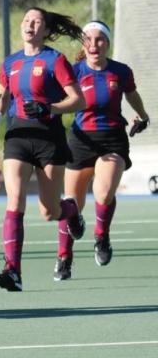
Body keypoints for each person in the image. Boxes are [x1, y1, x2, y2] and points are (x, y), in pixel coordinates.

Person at [0, 7, 86, 292]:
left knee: (49, 211)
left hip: (49, 139)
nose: (30, 24)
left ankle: (71, 211)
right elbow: (2, 100)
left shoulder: (55, 60)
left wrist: (49, 108)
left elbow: (78, 101)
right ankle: (12, 269)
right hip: (17, 135)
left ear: (45, 30)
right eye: (26, 20)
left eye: (36, 21)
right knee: (15, 199)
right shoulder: (10, 63)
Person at [54, 20, 149, 280]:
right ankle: (64, 257)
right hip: (80, 140)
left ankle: (101, 236)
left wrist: (142, 115)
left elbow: (132, 95)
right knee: (70, 205)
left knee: (104, 191)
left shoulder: (120, 72)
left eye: (100, 40)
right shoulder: (73, 73)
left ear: (107, 43)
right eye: (89, 40)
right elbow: (57, 102)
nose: (94, 45)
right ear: (83, 45)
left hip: (112, 139)